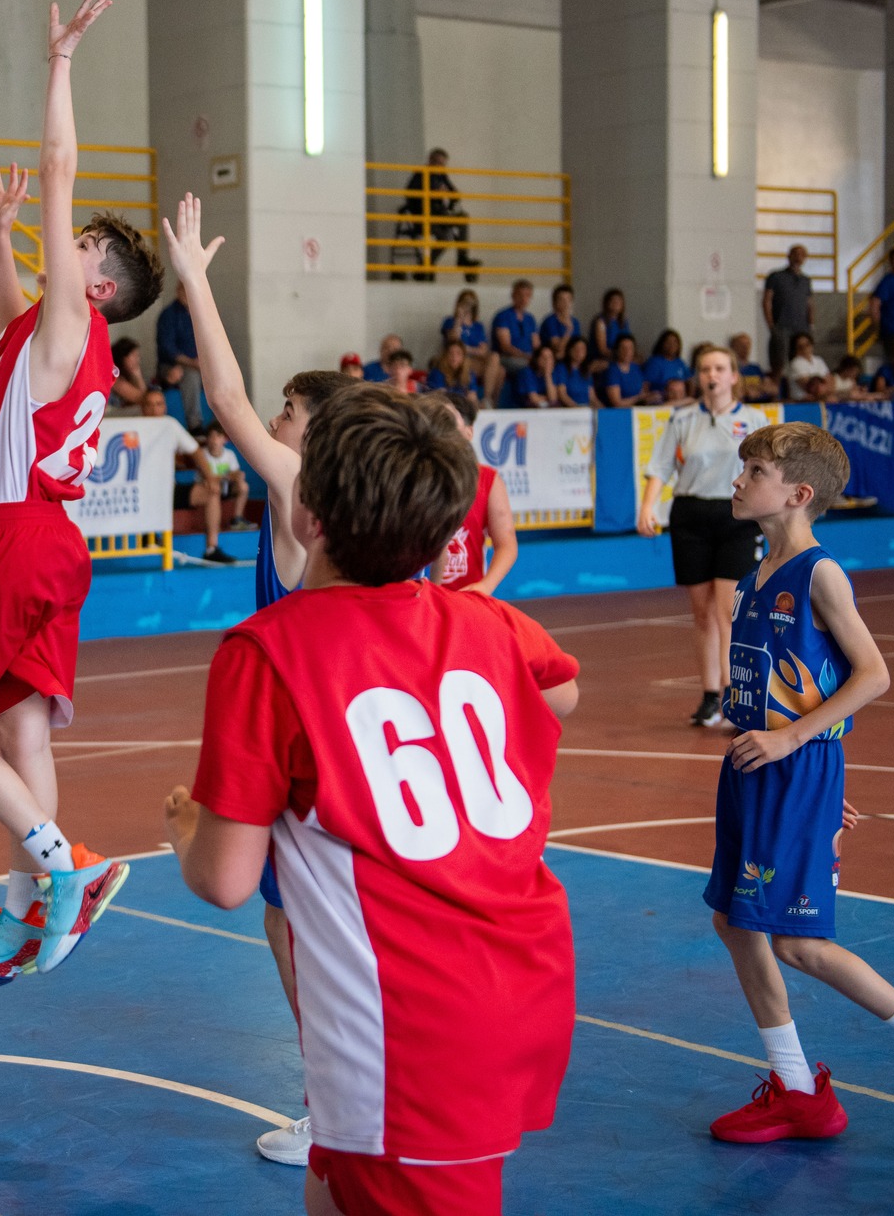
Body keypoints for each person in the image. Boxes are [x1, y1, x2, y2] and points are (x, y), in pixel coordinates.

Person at [164, 383, 579, 1216]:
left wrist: (183, 823)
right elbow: (564, 692)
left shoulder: (269, 651)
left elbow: (225, 879)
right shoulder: (492, 625)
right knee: (331, 1190)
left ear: (308, 513)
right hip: (523, 980)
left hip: (411, 1032)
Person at [0, 0, 161, 994]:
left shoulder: (73, 324)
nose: (74, 240)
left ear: (95, 289)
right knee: (20, 729)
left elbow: (58, 168)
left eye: (83, 247)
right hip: (53, 544)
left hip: (16, 538)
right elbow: (10, 319)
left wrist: (58, 62)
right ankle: (21, 913)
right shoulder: (53, 339)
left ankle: (69, 867)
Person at [705, 422, 894, 1153]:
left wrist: (801, 749)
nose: (739, 478)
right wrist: (799, 754)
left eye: (755, 469)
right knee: (735, 922)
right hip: (758, 770)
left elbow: (874, 673)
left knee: (800, 943)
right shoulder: (753, 577)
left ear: (798, 493)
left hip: (787, 764)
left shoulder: (819, 573)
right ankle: (797, 1087)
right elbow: (806, 685)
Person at [158, 189, 362, 1165]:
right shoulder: (347, 512)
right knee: (309, 921)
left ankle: (337, 1100)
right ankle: (355, 1081)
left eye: (290, 408)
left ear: (312, 435)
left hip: (298, 734)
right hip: (342, 724)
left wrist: (195, 281)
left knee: (293, 930)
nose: (269, 417)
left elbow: (227, 397)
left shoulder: (298, 493)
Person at [637, 346, 770, 727]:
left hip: (736, 516)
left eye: (720, 368)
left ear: (732, 376)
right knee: (701, 613)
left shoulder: (754, 419)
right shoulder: (681, 420)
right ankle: (710, 695)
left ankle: (734, 694)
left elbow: (767, 471)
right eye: (705, 368)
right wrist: (648, 506)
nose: (712, 374)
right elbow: (660, 467)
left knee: (728, 610)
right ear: (699, 376)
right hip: (691, 516)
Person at [428, 389, 518, 595]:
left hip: (466, 596)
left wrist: (486, 586)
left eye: (449, 422)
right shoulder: (415, 477)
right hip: (421, 598)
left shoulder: (487, 480)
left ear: (468, 432)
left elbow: (507, 543)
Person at [390, 147, 482, 281]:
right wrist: (433, 193)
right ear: (430, 161)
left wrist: (449, 195)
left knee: (462, 218)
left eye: (443, 164)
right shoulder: (420, 174)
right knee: (445, 238)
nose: (441, 166)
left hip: (439, 216)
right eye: (438, 163)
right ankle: (424, 268)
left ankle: (461, 258)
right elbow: (410, 195)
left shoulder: (442, 175)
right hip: (424, 218)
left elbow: (454, 194)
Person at [189, 423, 251, 563]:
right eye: (211, 436)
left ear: (224, 439)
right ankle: (211, 547)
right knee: (212, 487)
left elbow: (237, 474)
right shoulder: (202, 454)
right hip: (207, 489)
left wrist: (231, 477)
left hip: (225, 488)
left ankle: (237, 518)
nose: (214, 440)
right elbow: (206, 478)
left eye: (218, 436)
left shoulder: (229, 454)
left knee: (243, 485)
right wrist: (224, 477)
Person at [760, 245, 813, 378]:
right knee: (779, 362)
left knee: (799, 363)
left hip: (801, 328)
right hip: (782, 326)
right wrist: (771, 325)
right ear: (789, 256)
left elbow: (810, 303)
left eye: (802, 254)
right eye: (795, 254)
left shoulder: (806, 280)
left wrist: (811, 324)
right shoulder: (776, 276)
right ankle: (776, 394)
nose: (798, 257)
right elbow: (767, 300)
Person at [155, 286, 203, 422]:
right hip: (171, 365)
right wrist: (192, 363)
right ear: (178, 291)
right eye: (185, 291)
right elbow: (167, 348)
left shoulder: (197, 314)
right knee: (191, 376)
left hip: (197, 364)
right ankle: (195, 423)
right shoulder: (168, 315)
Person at [491, 280, 540, 403]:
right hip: (508, 358)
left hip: (527, 358)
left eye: (528, 295)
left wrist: (540, 356)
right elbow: (505, 346)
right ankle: (530, 401)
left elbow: (536, 344)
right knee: (526, 367)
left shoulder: (530, 319)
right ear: (513, 295)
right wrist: (526, 357)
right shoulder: (503, 316)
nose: (524, 299)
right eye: (520, 295)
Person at [602, 334, 650, 408]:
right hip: (620, 413)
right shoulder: (612, 371)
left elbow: (642, 391)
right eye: (623, 348)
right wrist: (638, 398)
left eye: (630, 348)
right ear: (617, 350)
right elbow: (617, 403)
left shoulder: (636, 368)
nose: (627, 351)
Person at [644, 329, 691, 402]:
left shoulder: (680, 362)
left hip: (680, 402)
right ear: (662, 344)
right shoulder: (655, 362)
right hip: (660, 402)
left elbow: (689, 382)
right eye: (668, 342)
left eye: (675, 342)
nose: (672, 345)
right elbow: (645, 385)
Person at [729, 333, 777, 402]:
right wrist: (747, 391)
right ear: (734, 347)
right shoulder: (731, 368)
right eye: (742, 345)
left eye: (748, 344)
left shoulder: (755, 368)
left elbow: (773, 389)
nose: (746, 348)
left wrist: (757, 388)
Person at [785, 332, 832, 401]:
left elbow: (830, 381)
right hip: (802, 400)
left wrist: (827, 389)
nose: (804, 348)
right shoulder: (795, 363)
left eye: (807, 345)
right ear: (795, 349)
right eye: (800, 346)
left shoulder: (819, 360)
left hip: (821, 396)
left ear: (811, 345)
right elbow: (810, 387)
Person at [512, 342, 560, 409]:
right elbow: (533, 399)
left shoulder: (552, 373)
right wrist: (548, 398)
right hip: (523, 410)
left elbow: (553, 399)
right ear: (537, 359)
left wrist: (547, 375)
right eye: (544, 357)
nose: (547, 361)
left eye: (550, 358)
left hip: (545, 408)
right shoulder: (527, 372)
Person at [590, 287, 631, 366]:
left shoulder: (623, 322)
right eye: (613, 300)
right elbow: (603, 350)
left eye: (619, 301)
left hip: (620, 357)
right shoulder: (601, 322)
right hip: (604, 358)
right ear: (607, 303)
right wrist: (622, 356)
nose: (616, 303)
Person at [555, 336, 595, 407]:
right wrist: (577, 408)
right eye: (576, 348)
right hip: (569, 410)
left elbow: (592, 397)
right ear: (569, 350)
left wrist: (604, 410)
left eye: (582, 349)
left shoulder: (586, 370)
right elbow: (562, 394)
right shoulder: (561, 368)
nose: (579, 352)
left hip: (586, 409)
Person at [108, 337, 147, 409]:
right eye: (134, 356)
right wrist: (138, 375)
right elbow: (144, 400)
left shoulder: (127, 377)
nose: (138, 360)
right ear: (123, 357)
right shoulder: (114, 377)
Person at [538, 284, 579, 351]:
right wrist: (569, 330)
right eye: (562, 300)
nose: (566, 303)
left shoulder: (575, 322)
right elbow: (558, 348)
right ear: (555, 302)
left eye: (569, 299)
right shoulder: (550, 321)